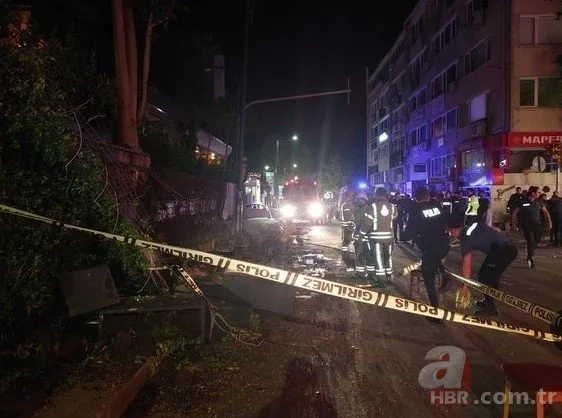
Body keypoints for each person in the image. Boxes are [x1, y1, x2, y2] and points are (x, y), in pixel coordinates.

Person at [448, 203, 518, 316]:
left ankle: (491, 308)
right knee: (491, 275)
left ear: (458, 228)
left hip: (502, 251)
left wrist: (465, 285)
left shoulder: (465, 240)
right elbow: (496, 230)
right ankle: (489, 300)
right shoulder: (474, 225)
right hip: (506, 247)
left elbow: (467, 264)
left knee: (485, 277)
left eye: (451, 231)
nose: (450, 234)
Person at [403, 187, 451, 323]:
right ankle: (444, 273)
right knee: (435, 259)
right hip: (444, 245)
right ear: (428, 196)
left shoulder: (415, 210)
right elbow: (445, 222)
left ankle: (436, 314)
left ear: (416, 198)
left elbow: (408, 232)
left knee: (429, 280)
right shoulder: (437, 205)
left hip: (430, 248)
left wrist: (405, 236)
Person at [359, 187, 395, 285]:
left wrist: (361, 235)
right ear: (385, 195)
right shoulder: (392, 206)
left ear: (376, 195)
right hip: (389, 237)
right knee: (388, 257)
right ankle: (389, 276)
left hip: (376, 238)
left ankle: (381, 279)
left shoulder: (373, 207)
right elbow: (394, 216)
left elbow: (367, 223)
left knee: (378, 258)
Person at [511, 186, 552, 268]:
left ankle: (529, 255)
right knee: (530, 241)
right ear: (533, 193)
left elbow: (546, 212)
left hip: (537, 225)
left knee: (536, 241)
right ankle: (530, 258)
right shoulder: (522, 201)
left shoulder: (539, 202)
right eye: (538, 192)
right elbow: (515, 213)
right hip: (526, 225)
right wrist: (514, 224)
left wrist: (549, 222)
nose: (539, 193)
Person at [352, 190, 370, 279]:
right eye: (358, 199)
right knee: (359, 256)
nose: (359, 201)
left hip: (365, 237)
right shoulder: (355, 209)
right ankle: (360, 273)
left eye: (361, 199)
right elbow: (354, 221)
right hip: (358, 237)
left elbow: (367, 224)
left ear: (365, 200)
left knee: (367, 256)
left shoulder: (368, 209)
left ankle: (370, 274)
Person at [339, 193, 356, 272]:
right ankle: (345, 256)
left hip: (347, 226)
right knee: (347, 241)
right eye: (349, 198)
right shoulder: (346, 206)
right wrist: (350, 225)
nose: (350, 199)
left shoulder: (345, 205)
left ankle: (345, 254)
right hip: (347, 227)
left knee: (347, 241)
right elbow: (348, 217)